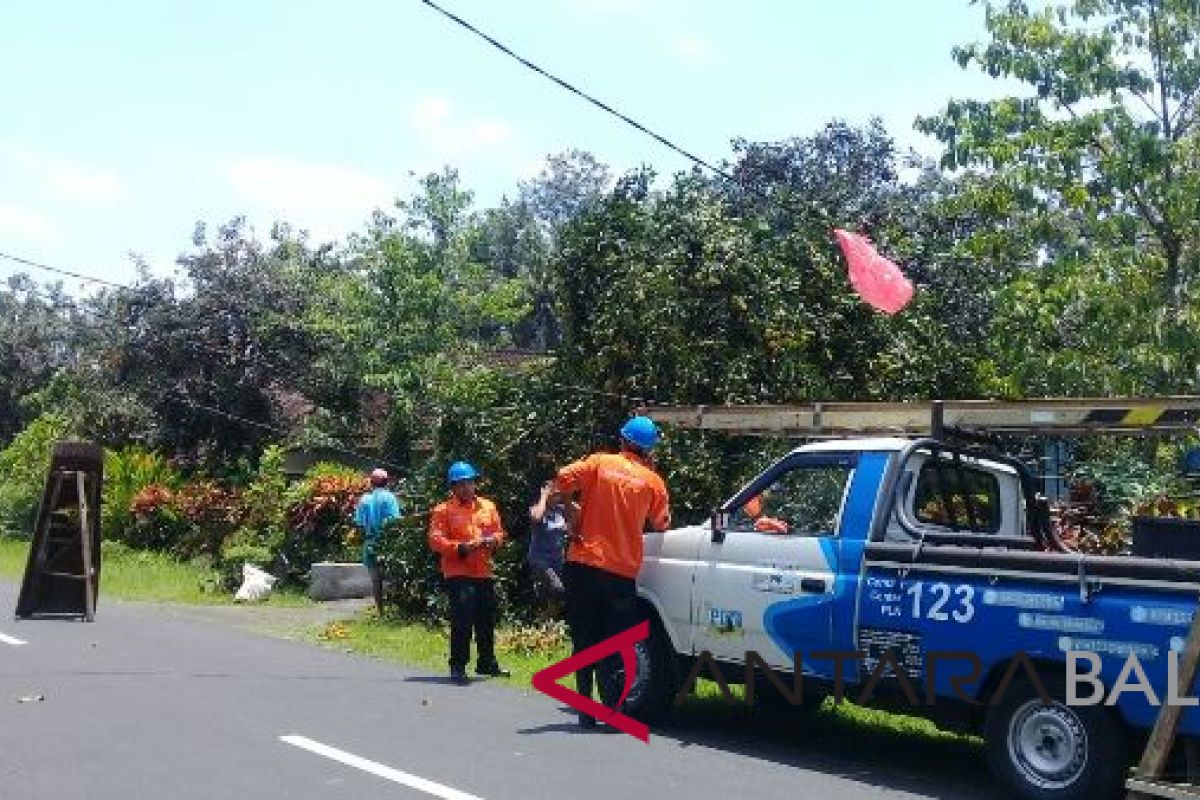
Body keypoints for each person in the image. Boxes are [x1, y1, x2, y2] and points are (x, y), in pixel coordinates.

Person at [554, 415, 671, 728]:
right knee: (616, 640)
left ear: (622, 440)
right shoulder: (653, 481)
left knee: (584, 636)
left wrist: (570, 506)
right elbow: (661, 523)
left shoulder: (599, 463)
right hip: (621, 571)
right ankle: (612, 706)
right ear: (648, 450)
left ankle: (584, 707)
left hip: (584, 563)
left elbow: (563, 478)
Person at [427, 461, 510, 685]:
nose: (467, 488)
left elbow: (499, 533)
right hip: (457, 571)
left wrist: (494, 541)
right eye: (461, 484)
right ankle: (458, 665)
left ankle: (487, 662)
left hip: (483, 570)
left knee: (486, 618)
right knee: (462, 618)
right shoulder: (443, 510)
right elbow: (435, 541)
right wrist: (462, 548)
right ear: (453, 487)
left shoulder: (488, 507)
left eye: (470, 483)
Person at [353, 468, 401, 615]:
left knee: (376, 580)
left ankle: (381, 611)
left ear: (371, 482)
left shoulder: (364, 500)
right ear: (387, 482)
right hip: (389, 544)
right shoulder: (390, 498)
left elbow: (359, 525)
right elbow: (396, 522)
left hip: (370, 544)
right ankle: (396, 609)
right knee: (393, 578)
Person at [526, 480, 573, 617]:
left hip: (557, 560)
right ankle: (546, 617)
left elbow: (579, 513)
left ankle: (545, 620)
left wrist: (567, 497)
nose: (556, 497)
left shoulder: (560, 510)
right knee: (558, 588)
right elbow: (536, 518)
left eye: (558, 495)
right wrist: (544, 496)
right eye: (554, 495)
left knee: (552, 595)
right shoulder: (536, 509)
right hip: (540, 559)